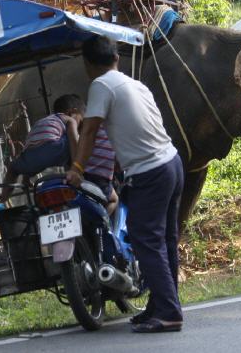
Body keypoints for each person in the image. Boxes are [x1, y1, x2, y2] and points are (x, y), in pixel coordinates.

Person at [66, 36, 184, 333]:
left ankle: (169, 312)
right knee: (165, 240)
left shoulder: (101, 85)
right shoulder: (135, 84)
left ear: (87, 64)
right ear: (116, 58)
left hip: (150, 172)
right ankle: (161, 305)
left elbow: (90, 131)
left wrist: (77, 168)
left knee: (146, 240)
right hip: (171, 163)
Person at [0, 95, 118, 214]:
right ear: (72, 112)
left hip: (30, 153)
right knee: (74, 140)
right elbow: (74, 141)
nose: (81, 126)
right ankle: (105, 222)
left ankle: (2, 201)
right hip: (54, 148)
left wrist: (26, 176)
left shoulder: (46, 120)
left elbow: (35, 150)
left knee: (13, 169)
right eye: (81, 121)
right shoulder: (70, 120)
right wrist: (76, 169)